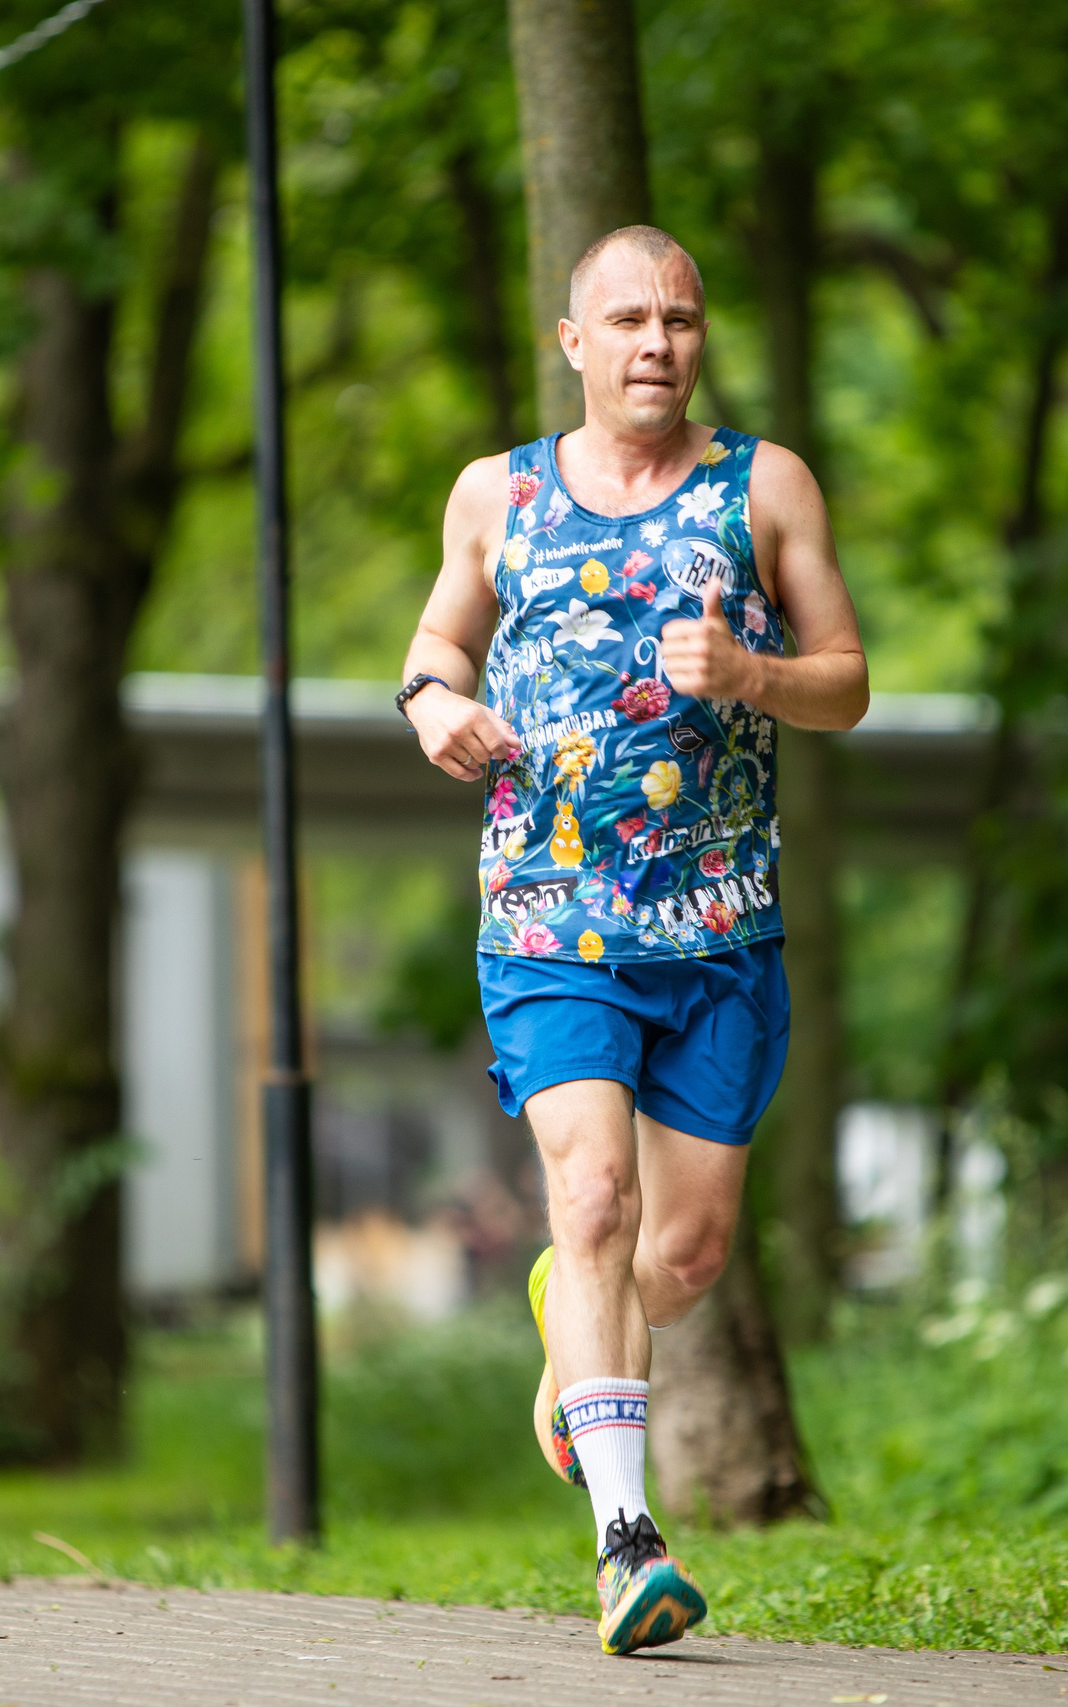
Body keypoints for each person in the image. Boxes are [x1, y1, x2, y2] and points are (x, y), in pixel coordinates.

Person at [393, 224, 869, 1655]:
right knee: (590, 1201)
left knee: (686, 1253)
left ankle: (570, 1329)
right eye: (629, 319)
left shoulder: (764, 485)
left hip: (718, 926)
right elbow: (433, 649)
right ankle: (625, 1544)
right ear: (575, 343)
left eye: (680, 318)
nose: (658, 341)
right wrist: (434, 712)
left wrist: (754, 672)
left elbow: (846, 682)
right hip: (548, 918)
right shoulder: (499, 495)